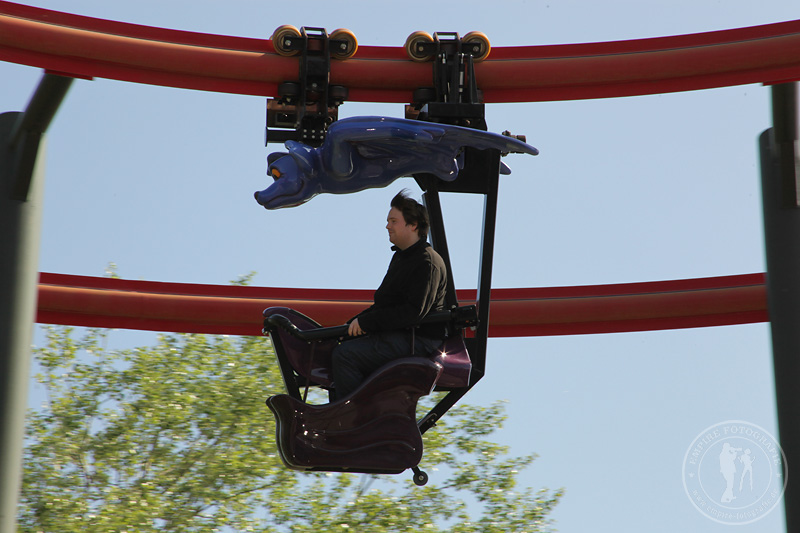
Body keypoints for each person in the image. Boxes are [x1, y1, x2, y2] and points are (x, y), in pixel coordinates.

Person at [330, 190, 448, 400]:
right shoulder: (401, 258)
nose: (387, 226)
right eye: (388, 221)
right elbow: (384, 306)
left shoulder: (427, 262)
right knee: (334, 345)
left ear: (413, 225)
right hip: (400, 335)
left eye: (393, 221)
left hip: (419, 340)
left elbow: (413, 312)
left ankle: (354, 415)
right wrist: (348, 327)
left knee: (345, 355)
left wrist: (366, 323)